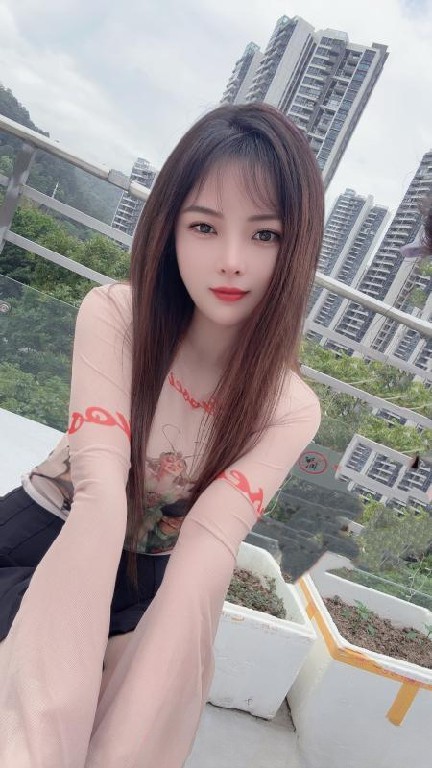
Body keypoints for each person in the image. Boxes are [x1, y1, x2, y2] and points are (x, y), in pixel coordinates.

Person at [0, 102, 324, 767]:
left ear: (296, 249)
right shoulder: (117, 315)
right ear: (170, 227)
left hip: (149, 579)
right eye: (204, 226)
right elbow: (98, 494)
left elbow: (207, 552)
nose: (231, 261)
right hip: (46, 528)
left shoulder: (290, 407)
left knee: (125, 719)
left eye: (265, 235)